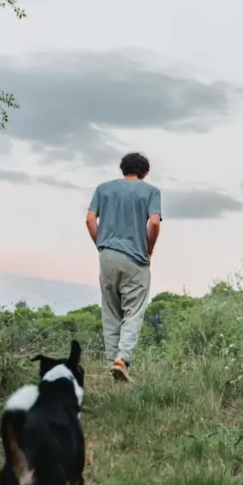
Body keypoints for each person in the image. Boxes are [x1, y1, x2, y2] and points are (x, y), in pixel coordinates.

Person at [86, 153, 162, 382]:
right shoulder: (151, 191)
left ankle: (113, 365)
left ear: (123, 169)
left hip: (107, 255)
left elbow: (90, 219)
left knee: (111, 311)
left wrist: (101, 245)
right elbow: (155, 222)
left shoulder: (103, 189)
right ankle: (122, 359)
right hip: (135, 258)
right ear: (145, 172)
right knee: (133, 311)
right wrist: (148, 249)